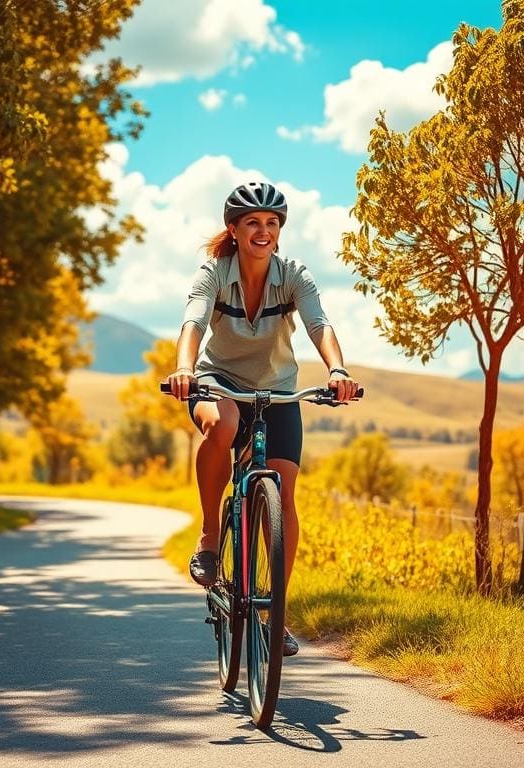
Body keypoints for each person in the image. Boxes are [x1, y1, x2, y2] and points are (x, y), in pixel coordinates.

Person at [165, 181, 359, 657]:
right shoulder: (213, 272)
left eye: (272, 223)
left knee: (285, 491)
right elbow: (192, 322)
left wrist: (336, 369)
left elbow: (320, 324)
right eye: (253, 222)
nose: (263, 230)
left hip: (276, 392)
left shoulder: (294, 275)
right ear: (233, 229)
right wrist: (186, 370)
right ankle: (211, 533)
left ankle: (276, 618)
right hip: (217, 383)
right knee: (224, 425)